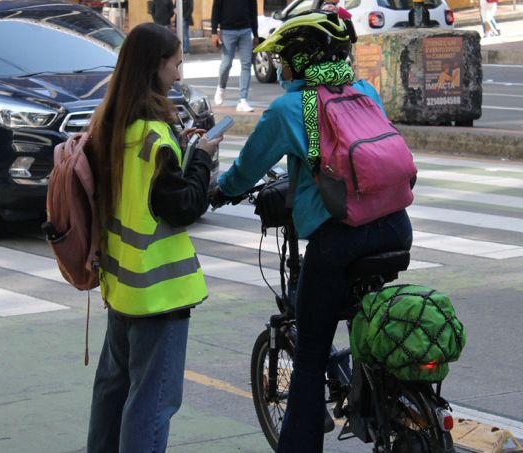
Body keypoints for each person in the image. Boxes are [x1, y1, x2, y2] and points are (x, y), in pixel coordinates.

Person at [210, 12, 413, 453]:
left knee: (309, 357)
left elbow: (248, 168)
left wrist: (222, 190)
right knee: (365, 317)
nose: (280, 67)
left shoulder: (289, 109)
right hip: (397, 227)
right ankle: (378, 398)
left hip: (340, 237)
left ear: (303, 60)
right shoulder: (365, 92)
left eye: (284, 58)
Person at [84, 23, 222, 453]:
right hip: (159, 294)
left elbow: (138, 195)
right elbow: (183, 206)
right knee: (152, 403)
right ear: (154, 67)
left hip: (121, 286)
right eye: (175, 65)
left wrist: (181, 151)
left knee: (113, 392)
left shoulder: (109, 124)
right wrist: (200, 159)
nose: (179, 75)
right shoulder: (154, 136)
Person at [210, 0, 258, 112]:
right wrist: (214, 33)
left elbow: (253, 13)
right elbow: (215, 11)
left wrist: (255, 34)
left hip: (246, 30)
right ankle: (221, 86)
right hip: (227, 31)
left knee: (246, 65)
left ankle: (242, 100)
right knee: (226, 64)